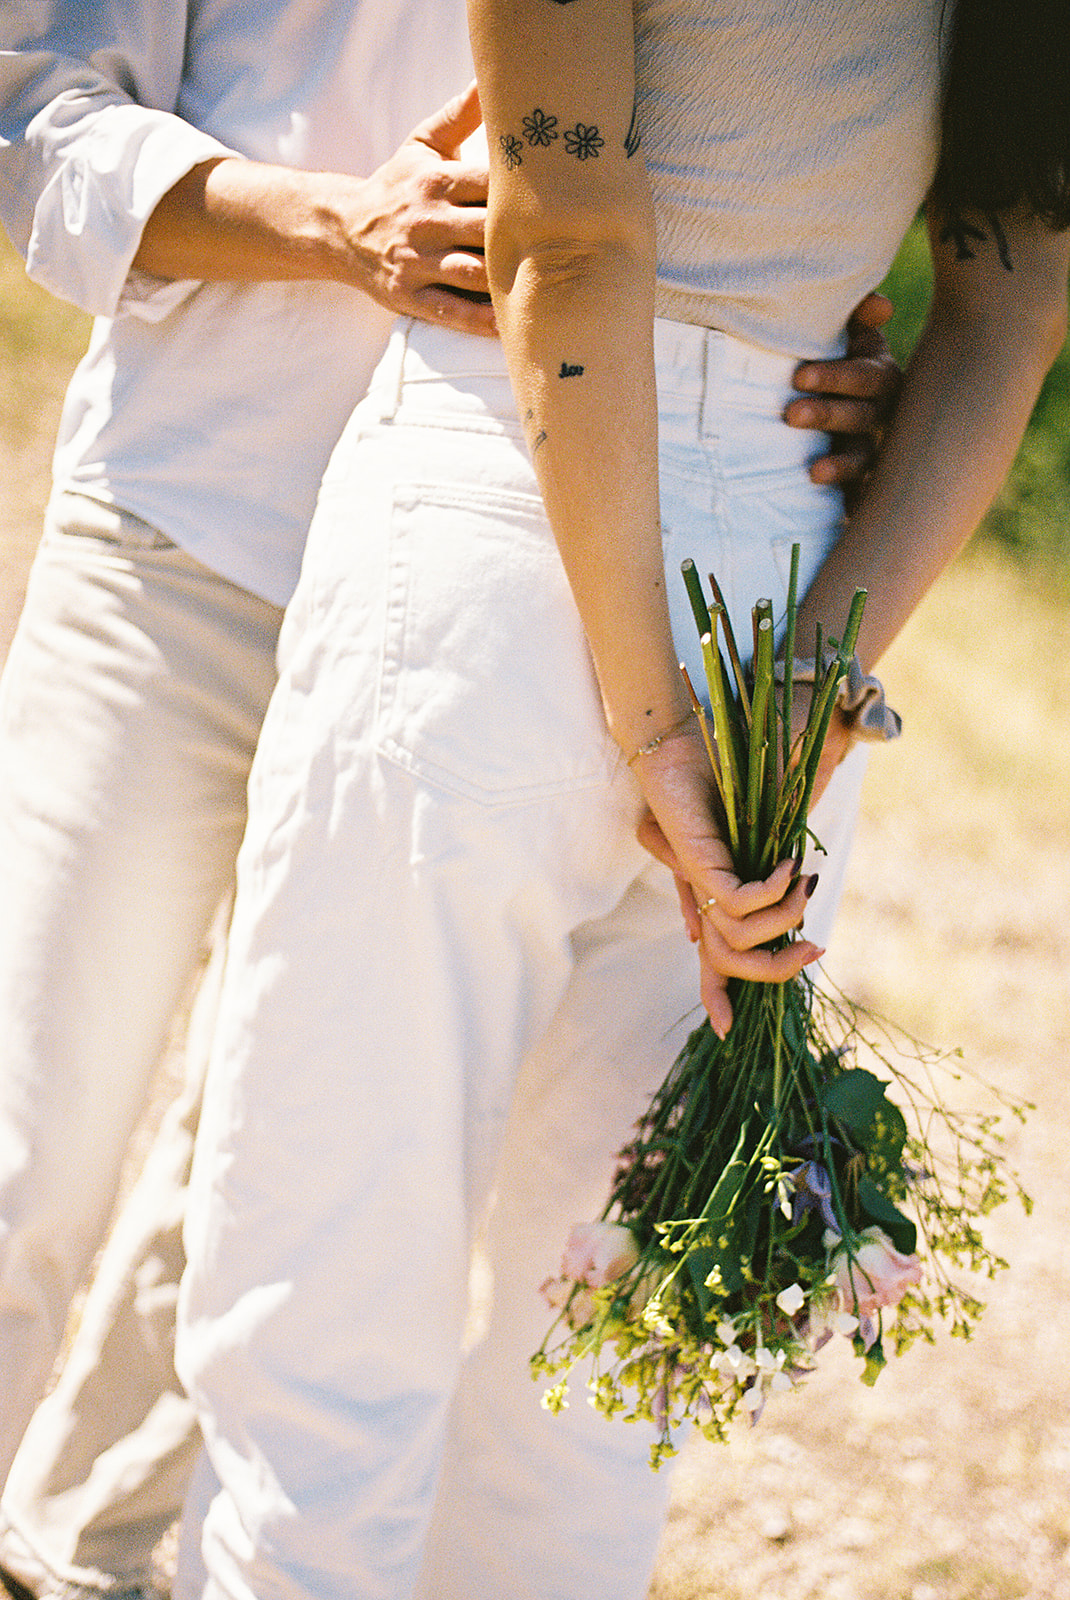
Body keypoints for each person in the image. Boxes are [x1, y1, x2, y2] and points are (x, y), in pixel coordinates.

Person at [171, 0, 1070, 1597]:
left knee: (327, 1280)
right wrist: (795, 694)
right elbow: (1012, 309)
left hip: (503, 508)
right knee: (599, 1345)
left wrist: (652, 719)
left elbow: (571, 241)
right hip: (794, 558)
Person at [0, 3, 894, 1598]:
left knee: (284, 1166)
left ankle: (85, 1555)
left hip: (514, 562)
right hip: (201, 524)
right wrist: (326, 223)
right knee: (30, 1150)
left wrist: (781, 332)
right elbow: (25, 103)